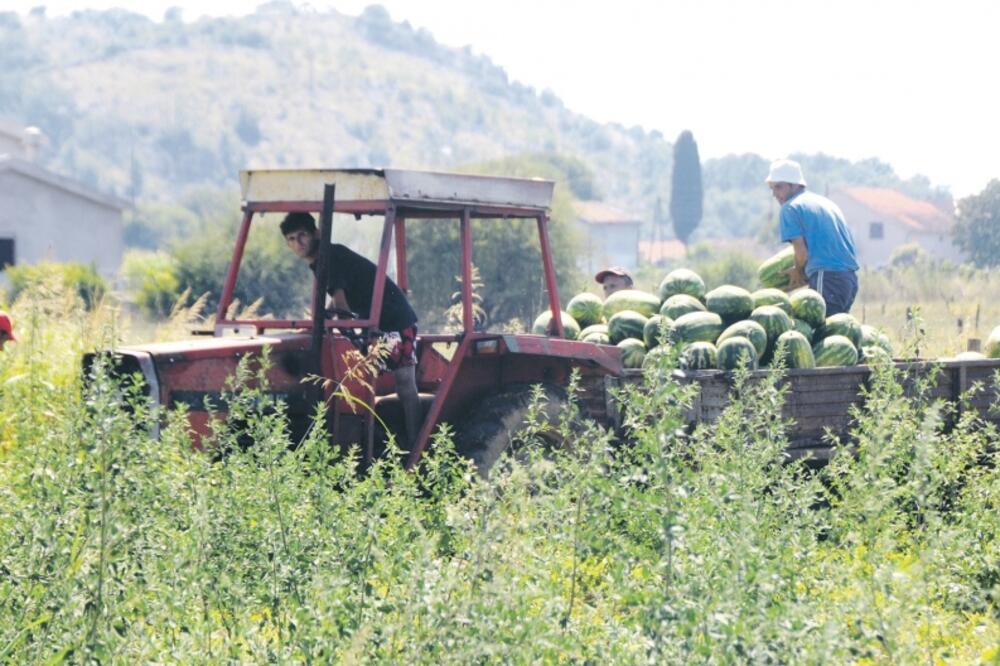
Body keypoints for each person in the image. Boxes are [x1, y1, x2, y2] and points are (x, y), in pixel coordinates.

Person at [280, 212, 421, 450]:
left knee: (404, 381)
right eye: (292, 239)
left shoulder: (330, 257)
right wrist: (322, 319)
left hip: (393, 317)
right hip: (374, 318)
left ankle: (416, 444)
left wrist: (343, 328)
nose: (298, 243)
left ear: (316, 233)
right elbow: (337, 303)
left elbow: (341, 304)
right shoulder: (322, 260)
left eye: (302, 235)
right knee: (362, 376)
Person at [766, 159, 860, 315]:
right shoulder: (823, 202)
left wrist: (798, 272)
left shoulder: (790, 208)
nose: (774, 194)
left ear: (794, 185)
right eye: (772, 188)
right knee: (837, 334)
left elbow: (801, 254)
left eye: (778, 187)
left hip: (828, 277)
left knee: (821, 333)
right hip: (849, 279)